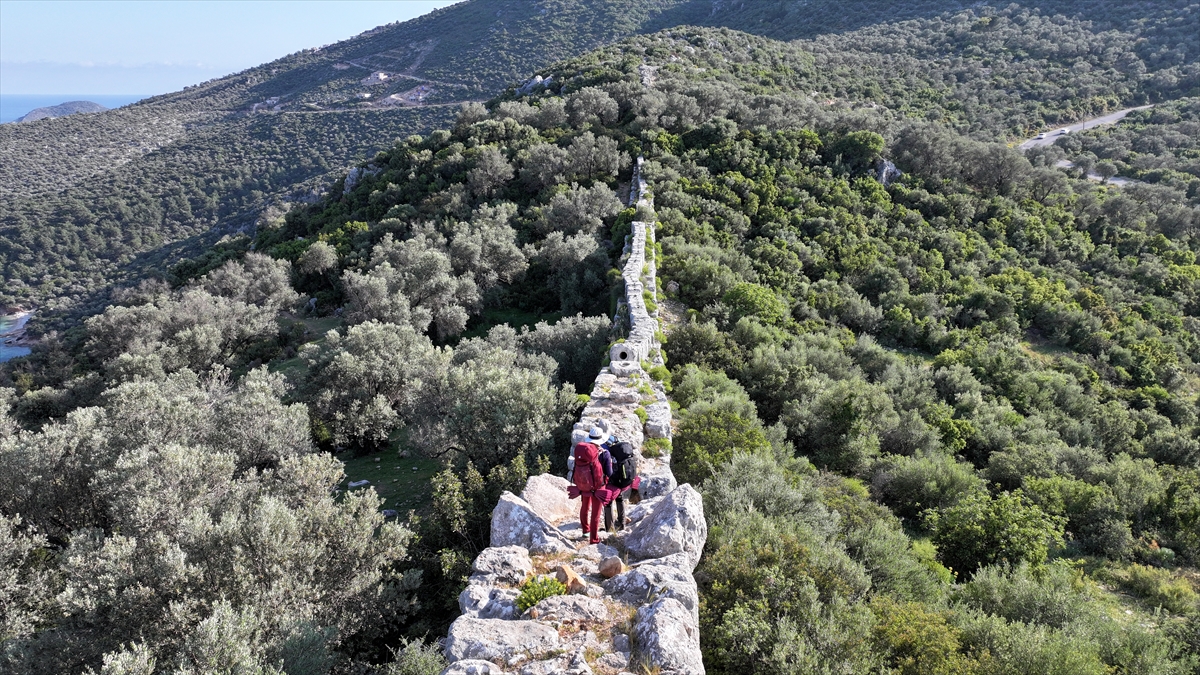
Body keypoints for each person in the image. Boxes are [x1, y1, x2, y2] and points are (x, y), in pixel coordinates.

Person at [572, 426, 608, 545]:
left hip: (583, 484)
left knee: (585, 506)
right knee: (596, 513)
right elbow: (609, 472)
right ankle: (594, 539)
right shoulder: (603, 453)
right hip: (598, 487)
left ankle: (585, 530)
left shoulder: (582, 451)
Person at [602, 440, 637, 532]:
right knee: (619, 498)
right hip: (626, 481)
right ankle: (622, 524)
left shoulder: (606, 450)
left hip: (616, 482)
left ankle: (609, 529)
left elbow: (609, 471)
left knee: (608, 502)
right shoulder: (624, 449)